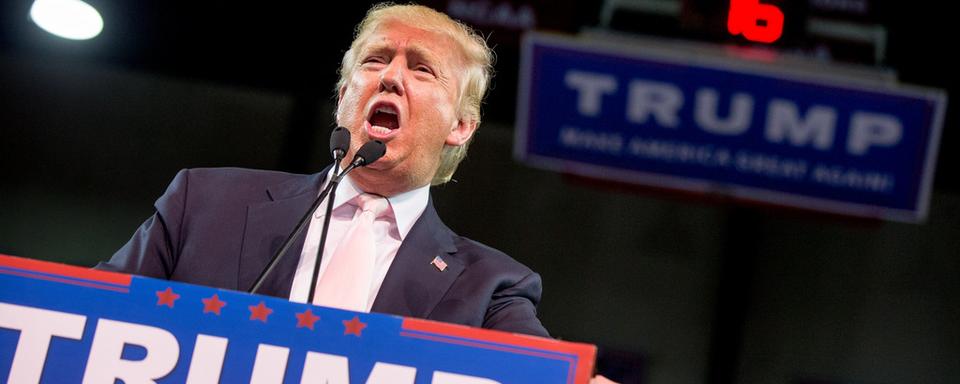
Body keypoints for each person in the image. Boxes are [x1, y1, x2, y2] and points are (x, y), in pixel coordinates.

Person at [97, 3, 548, 338]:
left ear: (461, 126)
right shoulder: (204, 203)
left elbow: (544, 371)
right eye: (375, 60)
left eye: (422, 69)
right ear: (342, 99)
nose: (390, 77)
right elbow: (86, 310)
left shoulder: (490, 288)